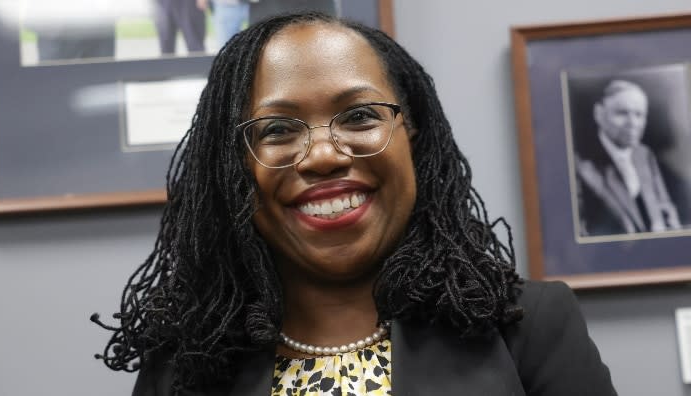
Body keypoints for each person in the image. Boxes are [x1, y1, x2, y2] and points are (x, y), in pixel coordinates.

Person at [92, 12, 617, 395]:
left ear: (414, 136)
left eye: (360, 116)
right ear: (234, 168)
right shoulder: (183, 364)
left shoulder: (529, 326)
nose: (322, 155)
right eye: (276, 128)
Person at [575, 79, 680, 237]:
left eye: (639, 114)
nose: (633, 123)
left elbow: (665, 208)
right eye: (622, 113)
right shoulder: (580, 165)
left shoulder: (644, 154)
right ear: (599, 114)